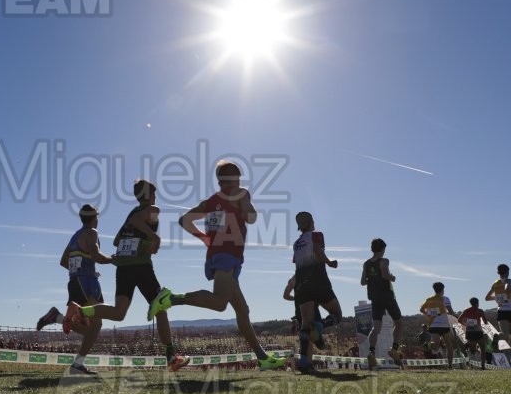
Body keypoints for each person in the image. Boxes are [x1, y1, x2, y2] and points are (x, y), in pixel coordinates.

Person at [146, 160, 285, 370]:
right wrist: (245, 198)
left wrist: (203, 237)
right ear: (236, 178)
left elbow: (184, 220)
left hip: (215, 256)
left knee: (242, 310)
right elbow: (252, 218)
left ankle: (263, 357)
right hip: (228, 256)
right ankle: (170, 298)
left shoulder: (209, 202)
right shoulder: (240, 194)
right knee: (220, 303)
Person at [59, 181, 190, 372]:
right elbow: (138, 222)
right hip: (141, 267)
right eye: (154, 193)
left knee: (119, 313)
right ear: (150, 195)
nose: (156, 197)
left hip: (123, 268)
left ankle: (80, 311)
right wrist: (154, 238)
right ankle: (171, 357)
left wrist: (142, 243)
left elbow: (116, 240)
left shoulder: (131, 213)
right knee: (161, 306)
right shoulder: (152, 209)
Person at [36, 205, 113, 375]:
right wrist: (113, 259)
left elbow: (64, 261)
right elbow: (96, 255)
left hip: (75, 281)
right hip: (87, 284)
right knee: (96, 324)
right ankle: (77, 365)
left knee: (91, 329)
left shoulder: (75, 237)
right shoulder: (92, 232)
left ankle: (57, 318)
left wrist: (83, 269)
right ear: (95, 218)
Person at [288, 212, 342, 374]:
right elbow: (318, 251)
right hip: (318, 279)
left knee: (305, 326)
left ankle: (304, 363)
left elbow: (296, 264)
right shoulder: (317, 235)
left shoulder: (296, 243)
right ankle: (320, 326)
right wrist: (329, 262)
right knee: (337, 315)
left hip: (301, 285)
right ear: (311, 222)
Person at [361, 238, 404, 369]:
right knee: (399, 323)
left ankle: (371, 352)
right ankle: (394, 349)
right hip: (387, 296)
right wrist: (392, 277)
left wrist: (373, 279)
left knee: (376, 327)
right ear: (382, 249)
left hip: (375, 297)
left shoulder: (366, 264)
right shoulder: (384, 261)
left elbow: (363, 281)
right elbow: (385, 275)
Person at [420, 282, 455, 369]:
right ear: (443, 290)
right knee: (449, 345)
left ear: (434, 289)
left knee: (436, 346)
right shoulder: (445, 299)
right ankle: (450, 365)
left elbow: (421, 309)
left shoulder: (429, 299)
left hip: (433, 325)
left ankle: (427, 344)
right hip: (444, 324)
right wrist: (455, 316)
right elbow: (450, 312)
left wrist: (429, 313)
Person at [458, 297, 489, 369]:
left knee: (477, 349)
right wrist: (484, 320)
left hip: (471, 331)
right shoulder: (480, 311)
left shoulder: (466, 310)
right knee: (481, 349)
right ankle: (481, 365)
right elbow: (485, 322)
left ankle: (482, 366)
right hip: (477, 331)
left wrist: (466, 324)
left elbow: (459, 320)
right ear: (477, 303)